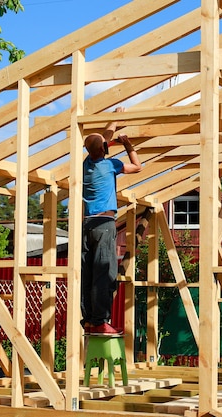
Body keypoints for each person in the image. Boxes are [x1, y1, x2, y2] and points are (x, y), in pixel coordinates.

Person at [81, 106, 142, 335]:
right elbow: (137, 167)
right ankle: (100, 321)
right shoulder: (111, 165)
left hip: (85, 224)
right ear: (105, 149)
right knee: (104, 272)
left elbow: (100, 140)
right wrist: (127, 145)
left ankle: (88, 319)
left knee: (86, 272)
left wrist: (114, 121)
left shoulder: (86, 165)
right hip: (104, 225)